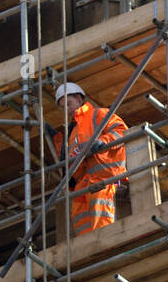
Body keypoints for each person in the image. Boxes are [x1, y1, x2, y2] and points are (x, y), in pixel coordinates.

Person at [52, 82, 127, 236]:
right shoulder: (71, 132)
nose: (67, 109)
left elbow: (120, 130)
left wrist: (103, 142)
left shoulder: (98, 114)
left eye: (68, 103)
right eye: (63, 107)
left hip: (103, 178)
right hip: (82, 185)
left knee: (101, 211)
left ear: (79, 99)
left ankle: (106, 242)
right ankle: (89, 247)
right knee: (79, 218)